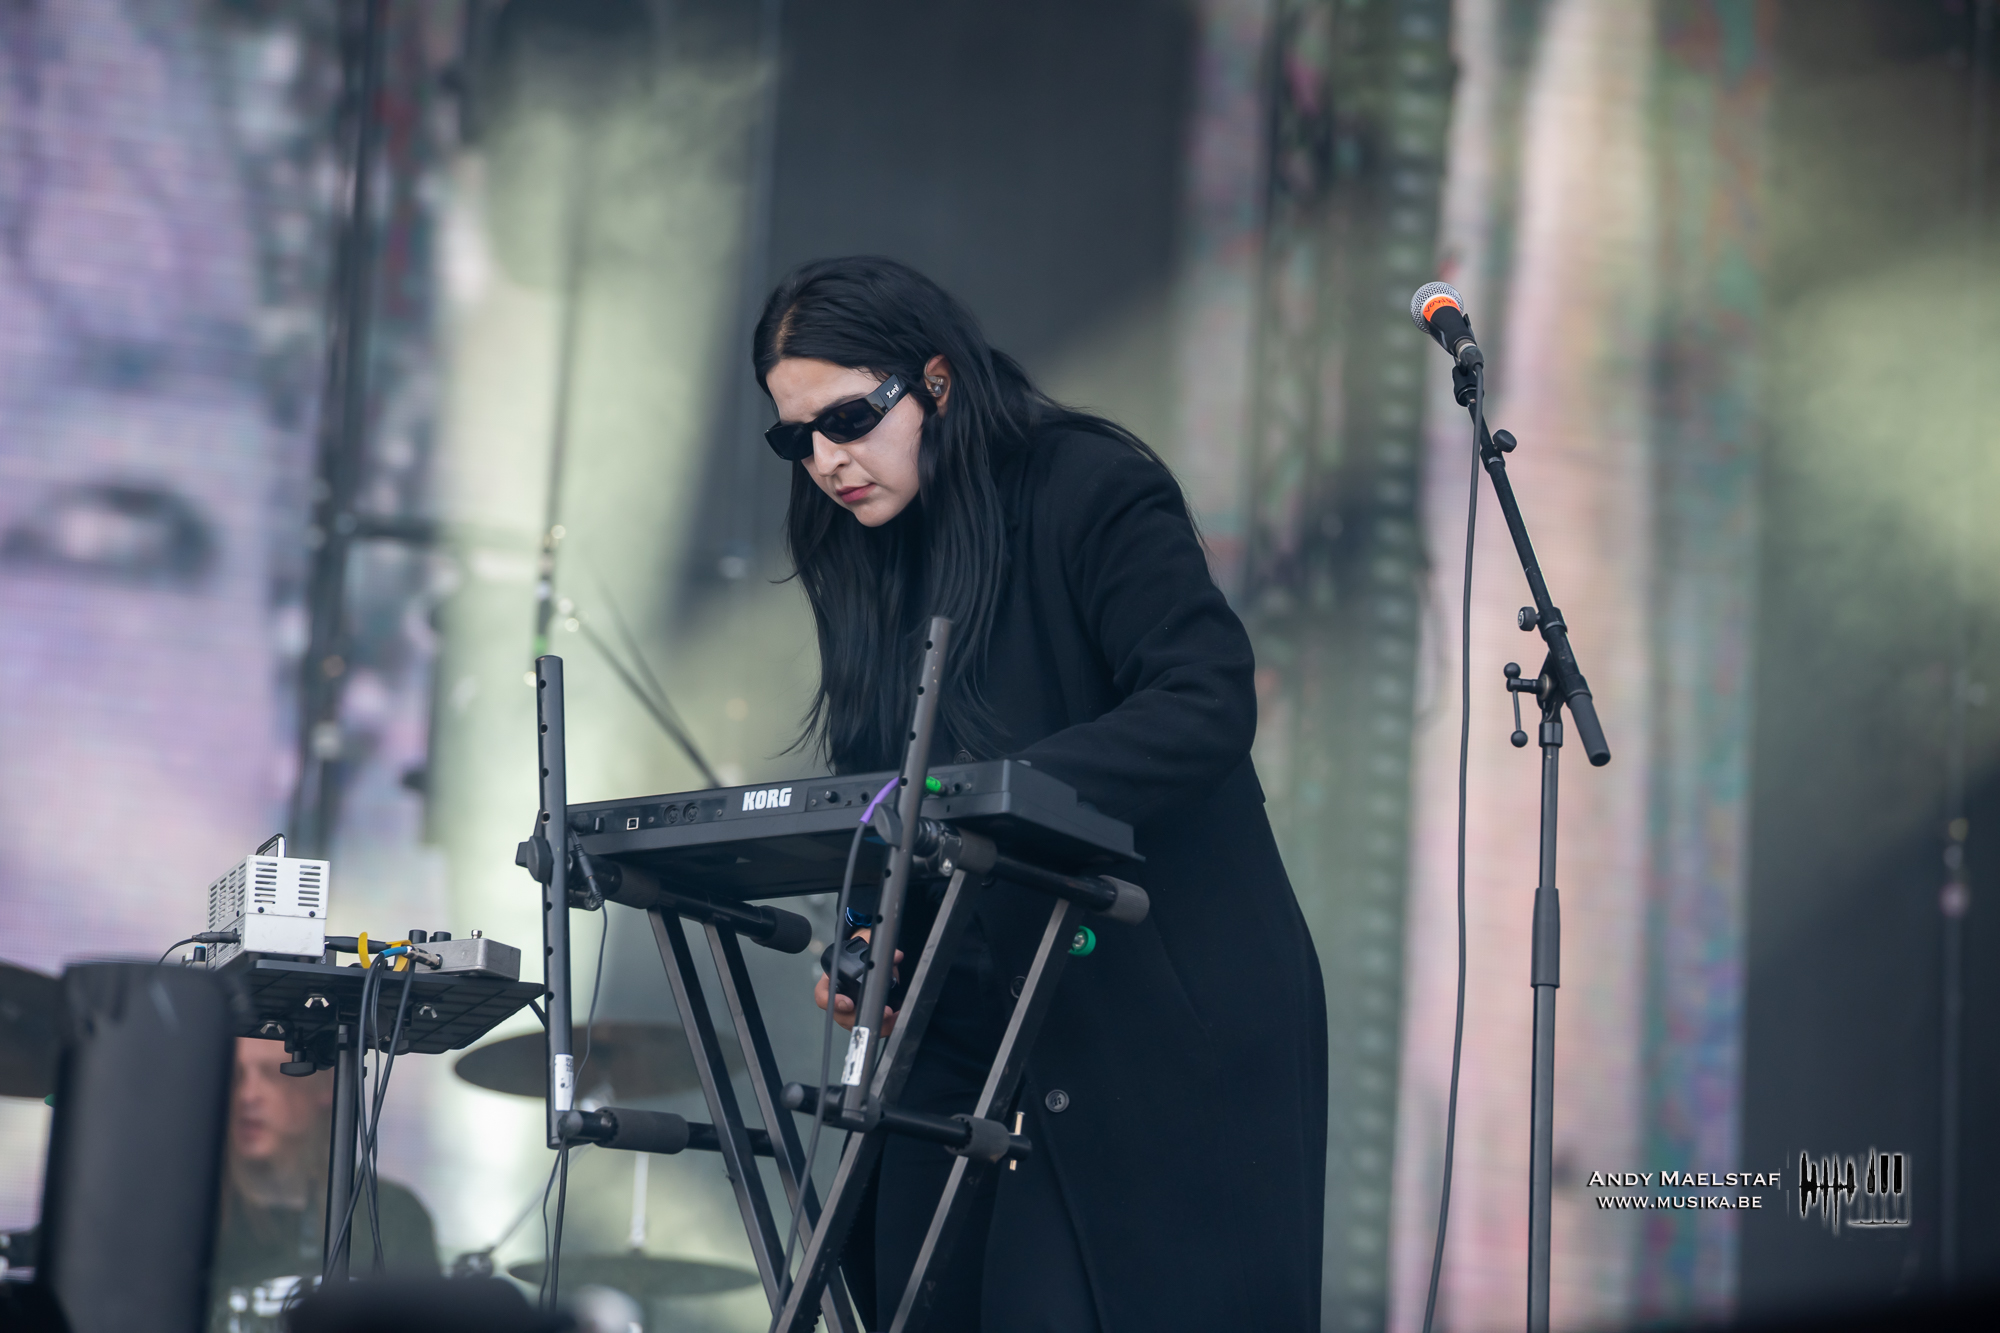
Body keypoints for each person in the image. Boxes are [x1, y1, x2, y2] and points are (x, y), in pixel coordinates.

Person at [759, 256, 1328, 1331]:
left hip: (1152, 1001)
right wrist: (868, 936)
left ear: (935, 382)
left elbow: (1204, 696)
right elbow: (878, 790)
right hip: (969, 1003)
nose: (827, 459)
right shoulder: (859, 547)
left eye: (847, 419)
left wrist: (998, 798)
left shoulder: (1086, 483)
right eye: (798, 438)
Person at [210, 1038, 437, 1321]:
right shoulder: (193, 1213)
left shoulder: (391, 1215)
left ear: (327, 1083)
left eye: (274, 1073)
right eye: (236, 1076)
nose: (248, 1095)